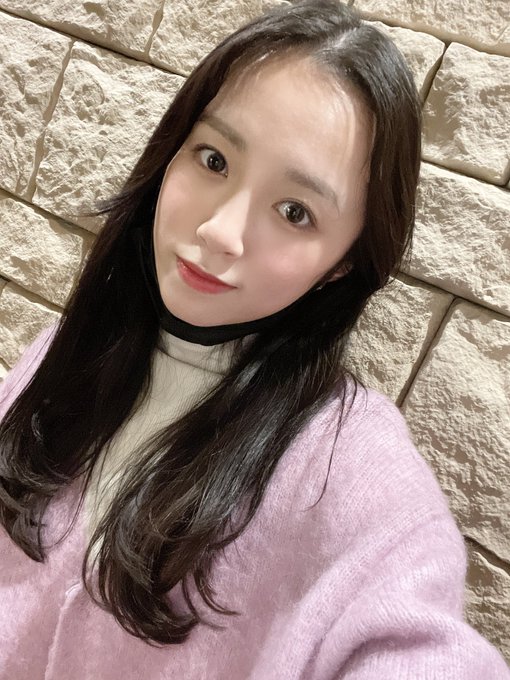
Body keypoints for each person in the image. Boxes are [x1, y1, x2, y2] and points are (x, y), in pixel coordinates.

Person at [0, 0, 508, 677]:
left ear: (344, 263)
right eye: (213, 159)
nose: (220, 232)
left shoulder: (349, 471)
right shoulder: (66, 351)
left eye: (295, 211)